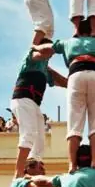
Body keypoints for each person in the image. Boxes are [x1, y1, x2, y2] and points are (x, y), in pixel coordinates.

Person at [34, 24, 95, 169]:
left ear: (77, 31)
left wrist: (34, 47)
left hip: (76, 75)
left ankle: (72, 164)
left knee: (75, 124)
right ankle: (94, 161)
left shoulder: (68, 42)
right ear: (91, 32)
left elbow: (47, 48)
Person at [9, 50, 67, 178]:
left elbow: (62, 81)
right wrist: (55, 47)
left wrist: (75, 83)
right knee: (28, 133)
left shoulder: (45, 69)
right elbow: (38, 52)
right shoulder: (31, 58)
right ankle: (19, 171)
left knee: (39, 137)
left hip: (33, 104)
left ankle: (34, 164)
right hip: (22, 99)